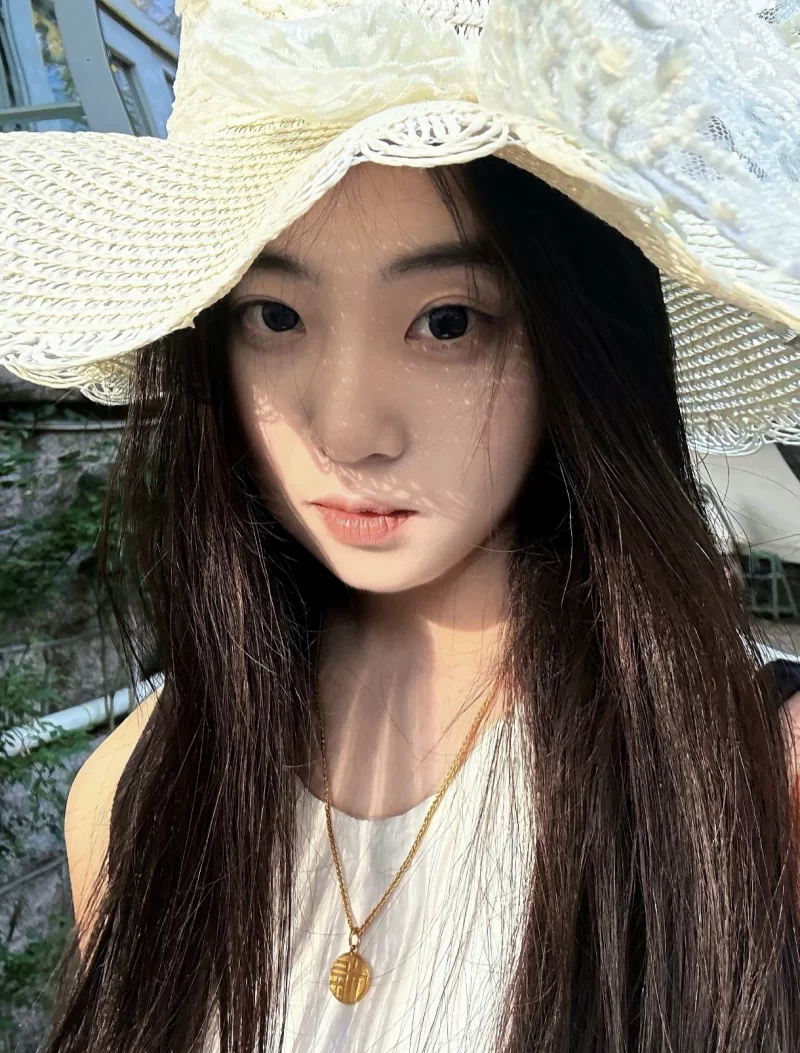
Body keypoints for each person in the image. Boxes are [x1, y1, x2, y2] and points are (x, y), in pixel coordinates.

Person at [1, 1, 800, 1051]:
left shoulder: (757, 778)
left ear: (581, 334)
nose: (346, 429)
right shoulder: (137, 795)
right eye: (274, 317)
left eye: (446, 321)